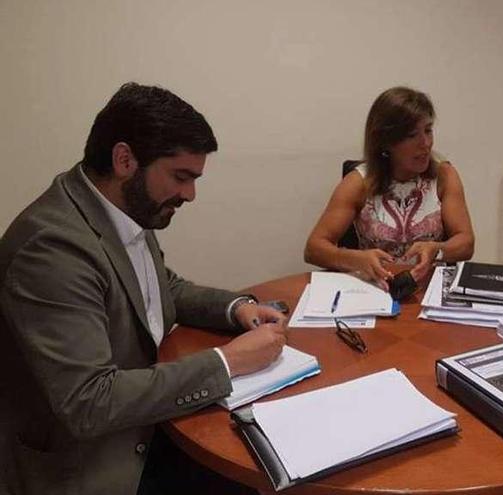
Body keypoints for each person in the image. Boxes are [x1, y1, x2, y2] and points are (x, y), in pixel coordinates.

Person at [0, 83, 288, 495]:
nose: (190, 194)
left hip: (148, 426)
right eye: (181, 177)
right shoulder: (51, 250)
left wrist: (237, 308)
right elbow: (90, 402)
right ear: (124, 160)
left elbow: (160, 287)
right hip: (92, 464)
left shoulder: (122, 209)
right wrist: (226, 362)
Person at [304, 86, 475, 289]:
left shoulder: (444, 175)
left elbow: (466, 243)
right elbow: (314, 249)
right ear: (386, 142)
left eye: (428, 130)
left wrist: (437, 250)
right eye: (412, 135)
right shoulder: (358, 182)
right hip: (375, 290)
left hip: (427, 290)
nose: (426, 143)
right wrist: (355, 258)